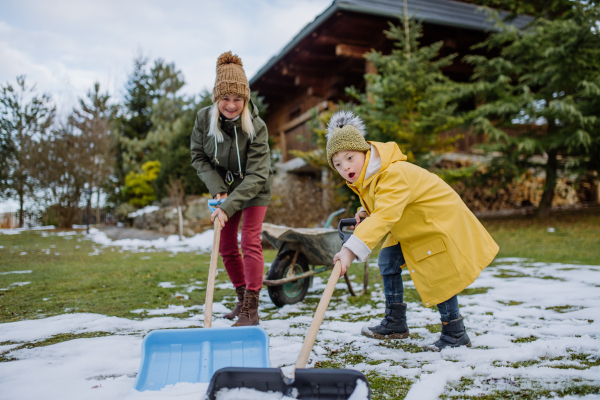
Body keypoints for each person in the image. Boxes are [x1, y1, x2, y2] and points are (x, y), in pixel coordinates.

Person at [327, 110, 499, 351]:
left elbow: (386, 214)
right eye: (337, 164)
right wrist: (365, 213)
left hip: (435, 223)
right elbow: (383, 202)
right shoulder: (371, 178)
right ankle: (395, 322)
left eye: (349, 158)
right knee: (387, 260)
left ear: (365, 152)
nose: (345, 167)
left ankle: (455, 331)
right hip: (412, 226)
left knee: (439, 272)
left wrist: (349, 250)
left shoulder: (391, 173)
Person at [191, 51, 273, 326]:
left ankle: (252, 306)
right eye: (225, 97)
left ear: (245, 99)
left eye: (238, 98)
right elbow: (199, 157)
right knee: (225, 244)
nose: (231, 104)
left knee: (249, 240)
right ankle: (241, 298)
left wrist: (228, 205)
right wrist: (218, 191)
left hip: (255, 187)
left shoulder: (256, 126)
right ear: (216, 97)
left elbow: (258, 174)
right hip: (225, 189)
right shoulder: (204, 120)